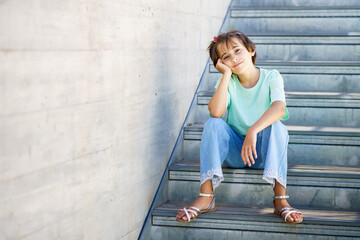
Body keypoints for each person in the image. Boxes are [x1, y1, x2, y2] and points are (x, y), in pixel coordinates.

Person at [175, 30, 303, 224]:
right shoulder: (227, 81)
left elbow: (279, 108)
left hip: (262, 153)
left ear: (251, 50)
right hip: (236, 153)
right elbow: (216, 112)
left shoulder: (271, 77)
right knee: (213, 124)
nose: (234, 58)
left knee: (278, 126)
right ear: (221, 63)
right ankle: (206, 196)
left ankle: (280, 199)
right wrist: (226, 75)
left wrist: (253, 130)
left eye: (237, 51)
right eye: (226, 57)